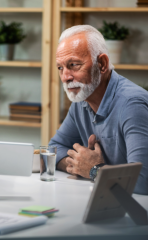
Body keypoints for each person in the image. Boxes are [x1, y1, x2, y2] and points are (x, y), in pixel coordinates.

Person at [49, 25, 148, 195]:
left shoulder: (132, 104)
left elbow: (142, 181)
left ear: (102, 64)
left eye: (73, 65)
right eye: (60, 68)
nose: (65, 77)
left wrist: (94, 170)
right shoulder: (81, 100)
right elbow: (53, 149)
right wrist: (80, 166)